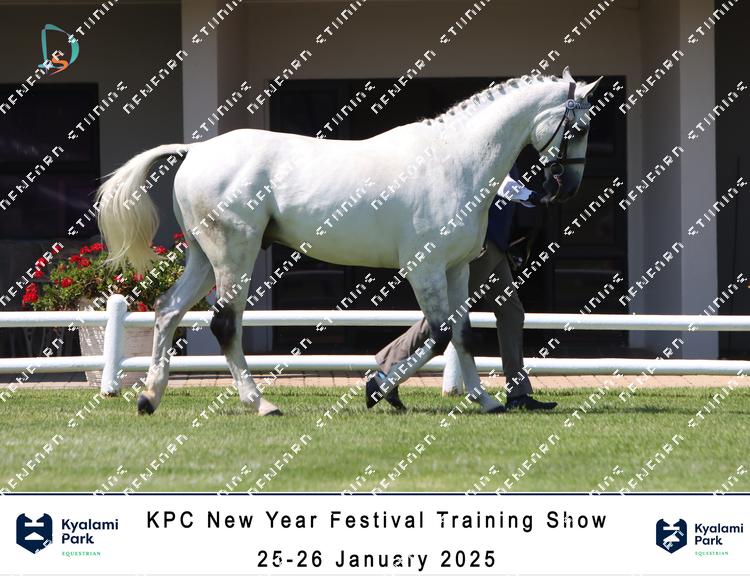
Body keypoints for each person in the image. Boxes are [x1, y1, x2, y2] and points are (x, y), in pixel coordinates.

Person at [366, 164, 557, 412]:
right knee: (446, 314)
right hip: (482, 246)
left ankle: (518, 393)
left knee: (511, 313)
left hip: (498, 245)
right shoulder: (496, 149)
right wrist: (533, 196)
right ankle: (388, 366)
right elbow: (502, 184)